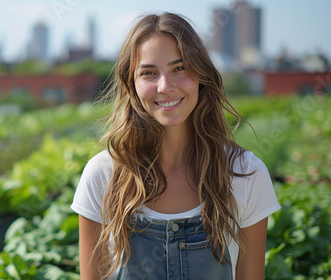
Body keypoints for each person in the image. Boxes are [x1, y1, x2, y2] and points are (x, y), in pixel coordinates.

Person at [70, 12, 281, 280]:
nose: (165, 86)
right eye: (149, 73)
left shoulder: (246, 175)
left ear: (201, 75)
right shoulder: (102, 175)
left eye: (179, 68)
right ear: (131, 84)